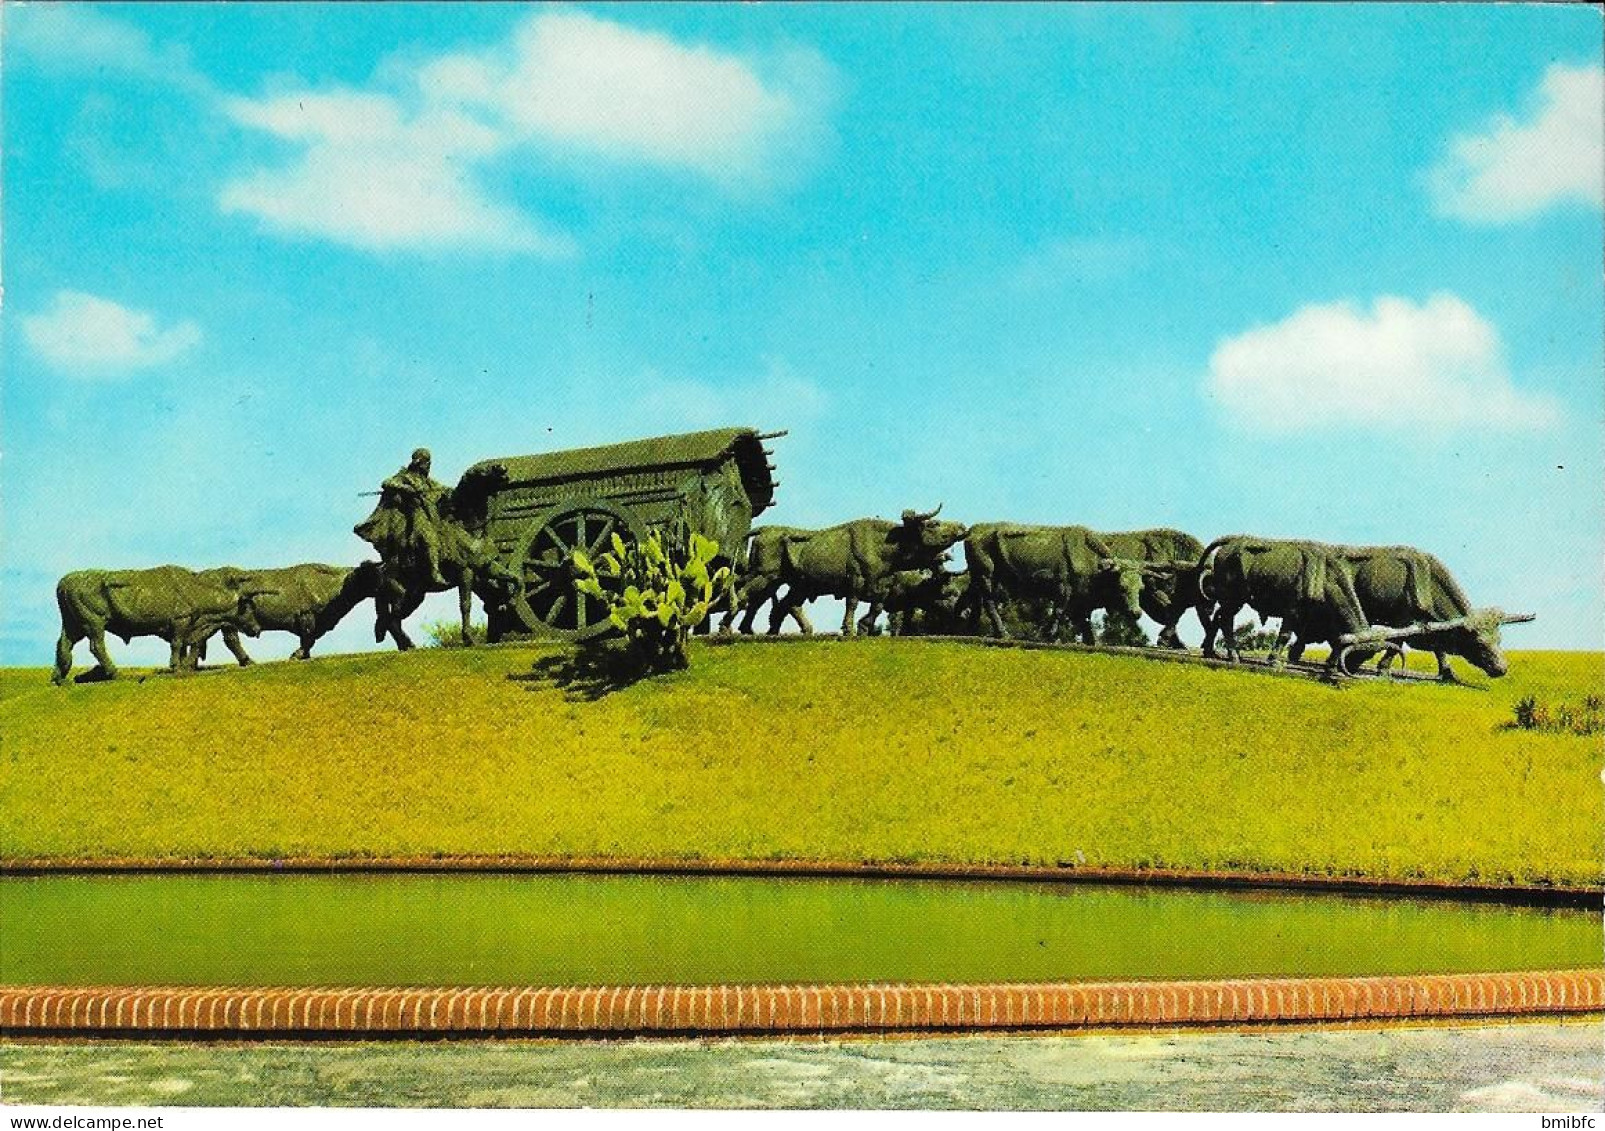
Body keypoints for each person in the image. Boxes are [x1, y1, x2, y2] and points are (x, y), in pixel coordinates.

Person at [382, 448, 449, 587]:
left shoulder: (428, 482)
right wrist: (403, 488)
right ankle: (434, 572)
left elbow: (442, 489)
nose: (428, 466)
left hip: (432, 514)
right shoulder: (406, 476)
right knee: (429, 538)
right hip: (416, 513)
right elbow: (386, 482)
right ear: (420, 463)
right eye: (427, 463)